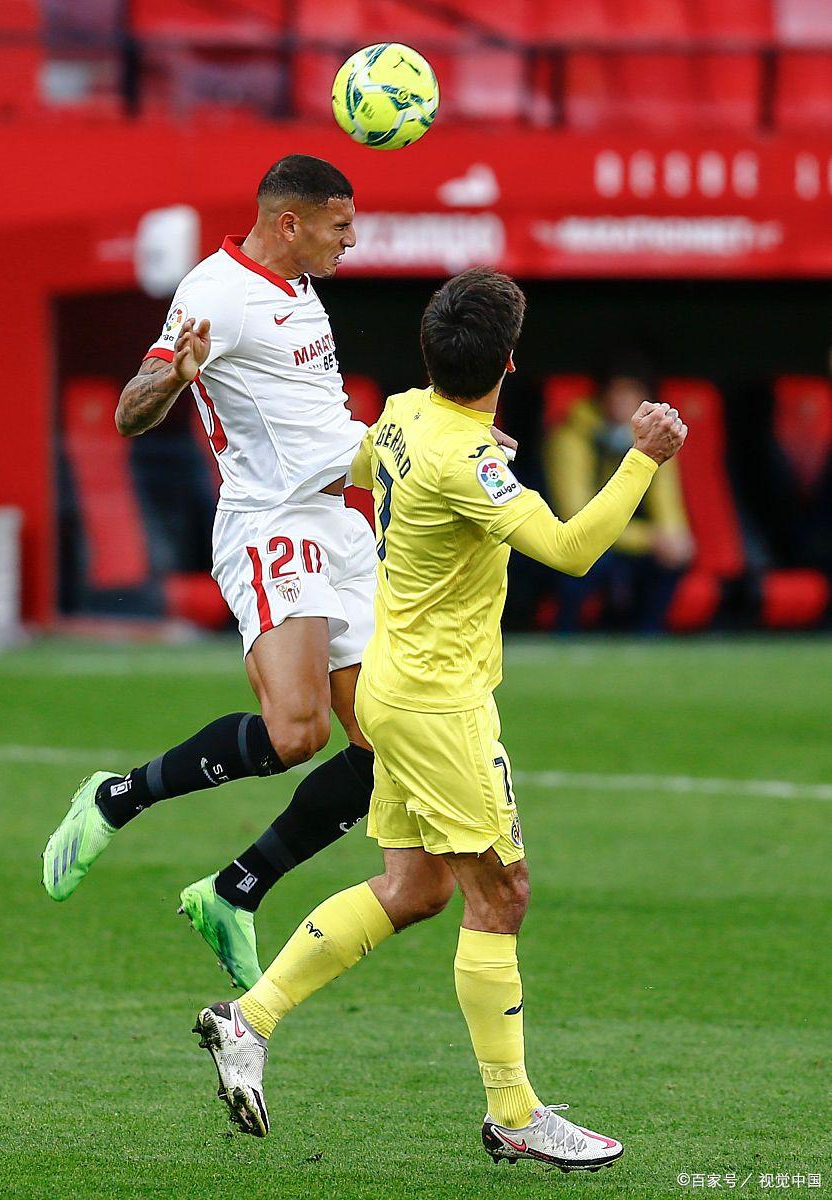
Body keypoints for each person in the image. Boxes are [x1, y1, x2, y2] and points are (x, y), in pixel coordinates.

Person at [192, 269, 687, 1170]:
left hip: (391, 683)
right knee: (502, 894)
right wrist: (644, 456)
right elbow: (570, 550)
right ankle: (514, 1114)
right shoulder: (470, 460)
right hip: (439, 707)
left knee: (416, 888)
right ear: (509, 363)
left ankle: (247, 1019)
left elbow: (361, 465)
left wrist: (456, 449)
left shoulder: (401, 414)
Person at [41, 157, 516, 987]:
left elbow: (314, 423)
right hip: (271, 526)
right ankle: (118, 797)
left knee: (388, 741)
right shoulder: (217, 291)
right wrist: (176, 376)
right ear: (290, 222)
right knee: (298, 733)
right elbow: (128, 411)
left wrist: (439, 444)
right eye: (340, 224)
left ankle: (235, 890)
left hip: (343, 525)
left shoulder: (300, 285)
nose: (352, 238)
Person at [543, 359, 694, 632]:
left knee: (671, 560)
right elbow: (574, 517)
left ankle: (646, 638)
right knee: (585, 562)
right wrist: (650, 539)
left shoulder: (658, 438)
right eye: (617, 390)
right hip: (580, 542)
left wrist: (673, 538)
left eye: (632, 392)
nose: (622, 401)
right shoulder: (573, 434)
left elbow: (668, 509)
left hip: (631, 546)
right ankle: (564, 635)